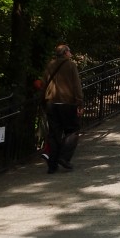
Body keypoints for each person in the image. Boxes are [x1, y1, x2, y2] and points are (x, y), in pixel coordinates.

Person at [42, 43, 82, 174]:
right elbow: (76, 84)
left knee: (54, 133)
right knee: (72, 130)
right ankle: (64, 157)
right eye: (69, 51)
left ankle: (52, 165)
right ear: (65, 53)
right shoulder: (71, 65)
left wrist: (43, 101)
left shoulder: (50, 65)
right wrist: (79, 102)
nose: (71, 53)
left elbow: (44, 83)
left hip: (51, 102)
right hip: (67, 103)